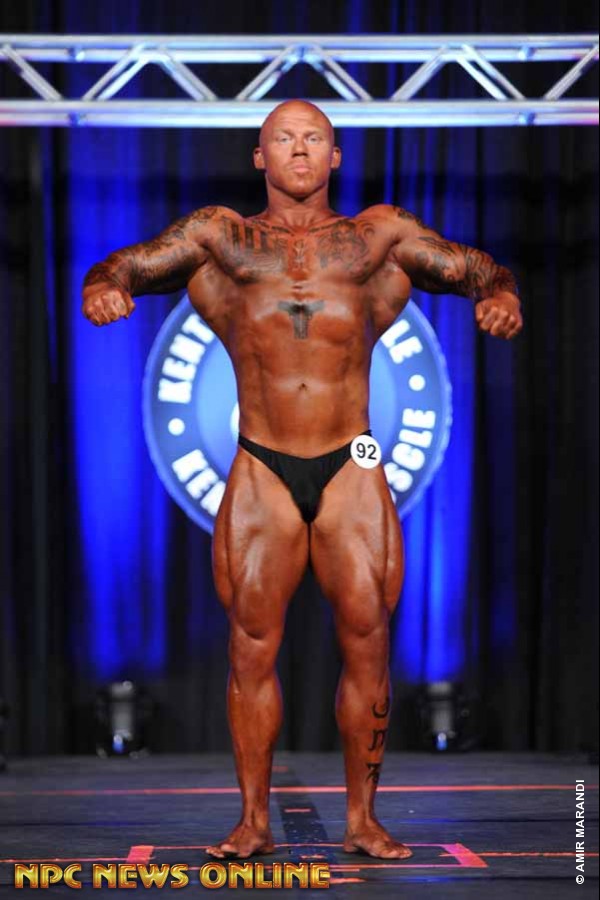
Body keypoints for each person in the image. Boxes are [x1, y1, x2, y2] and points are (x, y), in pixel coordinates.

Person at [82, 99, 522, 860]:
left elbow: (478, 268)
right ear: (259, 156)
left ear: (334, 156)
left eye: (313, 138)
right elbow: (122, 263)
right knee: (250, 646)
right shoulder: (219, 236)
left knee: (369, 641)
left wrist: (501, 295)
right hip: (262, 461)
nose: (298, 149)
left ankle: (363, 820)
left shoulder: (378, 235)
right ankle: (253, 820)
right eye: (283, 138)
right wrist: (104, 286)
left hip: (353, 458)